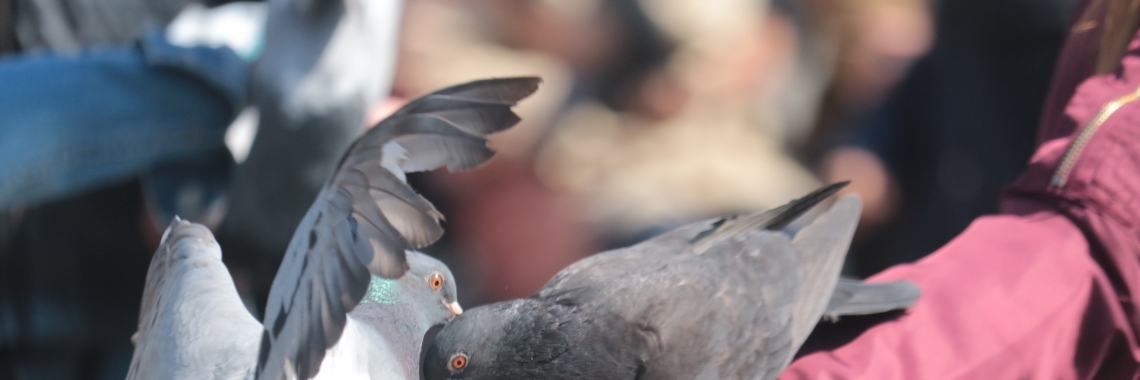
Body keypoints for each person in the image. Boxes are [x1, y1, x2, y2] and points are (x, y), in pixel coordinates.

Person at [784, 0, 1140, 376]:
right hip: (946, 231)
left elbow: (1079, 260)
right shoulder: (968, 17)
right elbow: (937, 74)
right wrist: (871, 144)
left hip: (1003, 245)